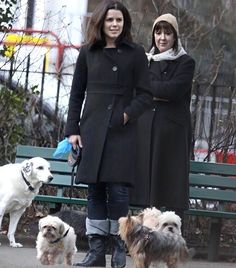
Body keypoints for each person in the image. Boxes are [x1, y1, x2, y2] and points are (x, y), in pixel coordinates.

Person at [65, 1, 152, 267]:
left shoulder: (135, 53)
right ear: (101, 22)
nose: (115, 24)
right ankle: (95, 252)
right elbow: (76, 93)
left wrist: (126, 115)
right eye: (110, 20)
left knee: (118, 192)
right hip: (91, 128)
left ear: (125, 24)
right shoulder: (87, 52)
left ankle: (118, 248)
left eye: (119, 20)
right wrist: (72, 131)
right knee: (95, 191)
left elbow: (146, 95)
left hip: (121, 132)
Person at [130, 13, 195, 226]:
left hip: (172, 136)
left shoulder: (186, 62)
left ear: (175, 36)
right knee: (146, 188)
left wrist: (151, 89)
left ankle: (172, 242)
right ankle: (144, 237)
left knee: (171, 187)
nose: (162, 38)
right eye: (158, 32)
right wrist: (154, 90)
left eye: (168, 33)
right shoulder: (145, 60)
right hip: (146, 132)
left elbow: (173, 91)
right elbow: (138, 89)